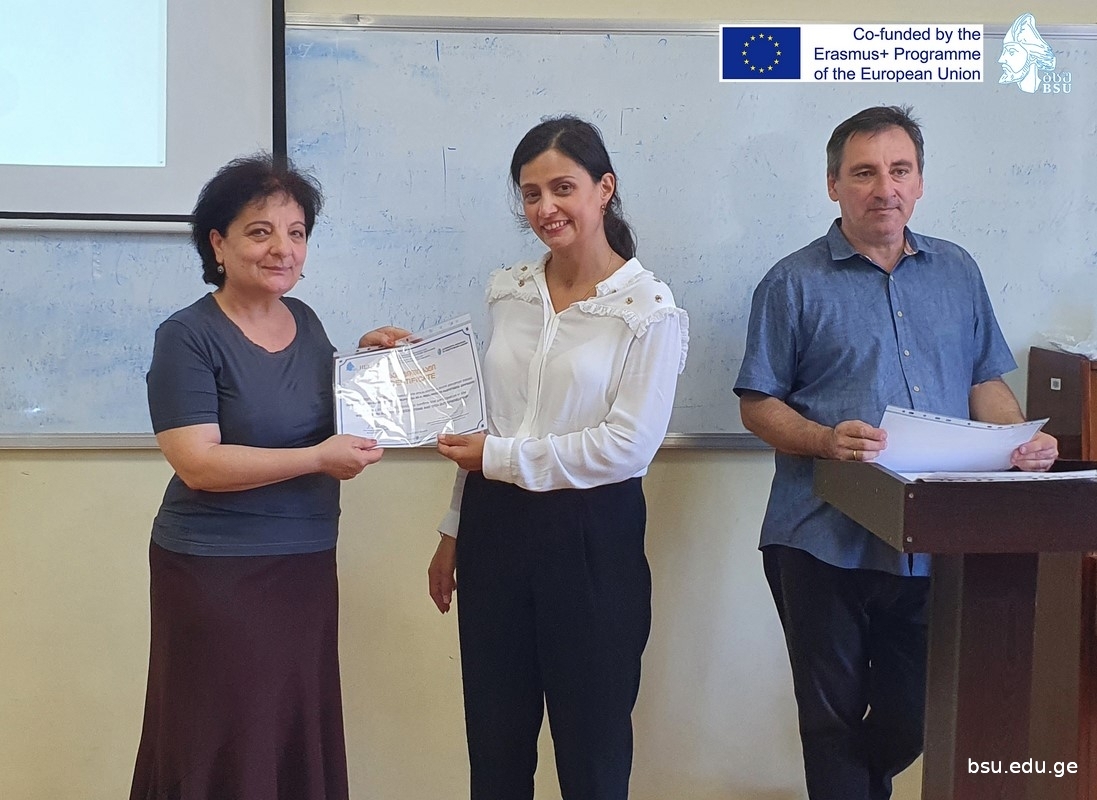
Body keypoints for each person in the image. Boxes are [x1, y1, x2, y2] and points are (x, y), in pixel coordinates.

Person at [734, 105, 1058, 800]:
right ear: (833, 185)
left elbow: (983, 380)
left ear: (919, 182)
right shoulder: (790, 283)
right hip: (819, 538)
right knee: (829, 724)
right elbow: (756, 404)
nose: (884, 188)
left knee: (914, 715)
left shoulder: (957, 270)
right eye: (863, 173)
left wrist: (1019, 440)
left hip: (933, 537)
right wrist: (824, 439)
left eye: (899, 170)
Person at [426, 115, 689, 800]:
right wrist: (454, 531)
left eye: (562, 188)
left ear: (605, 189)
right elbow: (490, 421)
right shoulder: (508, 291)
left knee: (592, 756)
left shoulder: (649, 309)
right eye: (531, 193)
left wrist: (499, 458)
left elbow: (626, 447)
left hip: (592, 540)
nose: (545, 208)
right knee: (495, 748)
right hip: (493, 531)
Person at [130, 153, 393, 800]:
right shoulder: (186, 336)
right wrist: (317, 460)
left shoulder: (306, 321)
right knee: (222, 734)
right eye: (260, 231)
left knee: (290, 729)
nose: (283, 248)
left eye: (296, 232)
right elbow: (198, 463)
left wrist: (372, 366)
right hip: (217, 573)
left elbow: (319, 412)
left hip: (306, 565)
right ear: (217, 243)